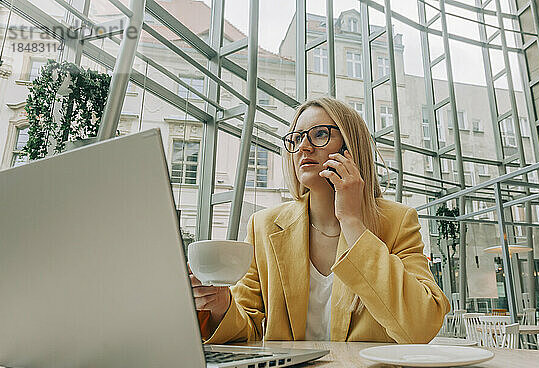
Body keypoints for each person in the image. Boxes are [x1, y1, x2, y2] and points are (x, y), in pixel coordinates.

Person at [191, 97, 449, 343]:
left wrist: (351, 221)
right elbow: (248, 329)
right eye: (296, 138)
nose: (303, 147)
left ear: (350, 148)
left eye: (320, 134)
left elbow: (421, 326)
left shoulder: (397, 221)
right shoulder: (264, 226)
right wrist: (221, 306)